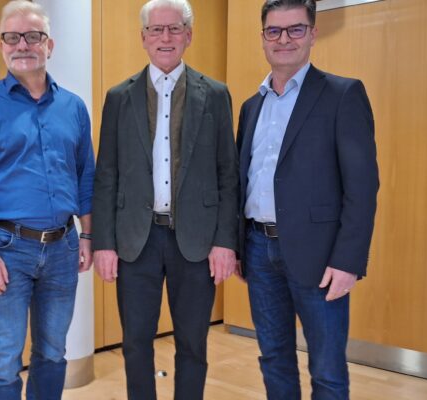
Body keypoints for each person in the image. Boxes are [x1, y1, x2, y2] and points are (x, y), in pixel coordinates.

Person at [92, 0, 239, 398]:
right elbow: (106, 175)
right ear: (143, 38)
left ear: (189, 36)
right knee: (136, 343)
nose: (165, 38)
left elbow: (229, 175)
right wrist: (104, 243)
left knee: (193, 343)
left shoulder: (216, 95)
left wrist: (226, 241)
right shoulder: (118, 97)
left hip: (196, 241)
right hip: (135, 241)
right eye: (156, 30)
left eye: (174, 29)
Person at [0, 1, 95, 398]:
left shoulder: (73, 108)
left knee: (52, 352)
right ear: (1, 46)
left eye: (33, 36)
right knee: (4, 359)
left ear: (50, 45)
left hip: (63, 247)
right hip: (6, 249)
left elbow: (86, 177)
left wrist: (87, 237)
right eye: (12, 37)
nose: (22, 45)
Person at [237, 0, 379, 399]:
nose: (284, 39)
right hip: (259, 251)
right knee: (274, 357)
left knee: (328, 369)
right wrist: (239, 247)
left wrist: (348, 261)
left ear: (313, 34)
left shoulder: (342, 94)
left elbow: (362, 187)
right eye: (274, 31)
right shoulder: (252, 106)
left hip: (320, 258)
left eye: (295, 29)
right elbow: (243, 181)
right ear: (263, 37)